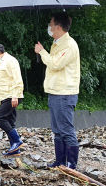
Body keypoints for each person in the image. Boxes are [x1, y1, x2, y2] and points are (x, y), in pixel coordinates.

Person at [34, 12, 81, 169]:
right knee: (57, 130)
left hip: (64, 93)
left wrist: (41, 51)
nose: (49, 27)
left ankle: (71, 165)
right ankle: (59, 162)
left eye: (51, 24)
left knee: (66, 130)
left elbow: (55, 64)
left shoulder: (69, 45)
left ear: (58, 27)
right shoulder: (57, 43)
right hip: (55, 92)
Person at [0, 43, 25, 155]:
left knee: (0, 118)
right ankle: (14, 150)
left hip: (11, 95)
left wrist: (15, 95)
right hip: (4, 96)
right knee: (9, 121)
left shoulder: (10, 61)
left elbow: (17, 78)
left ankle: (17, 141)